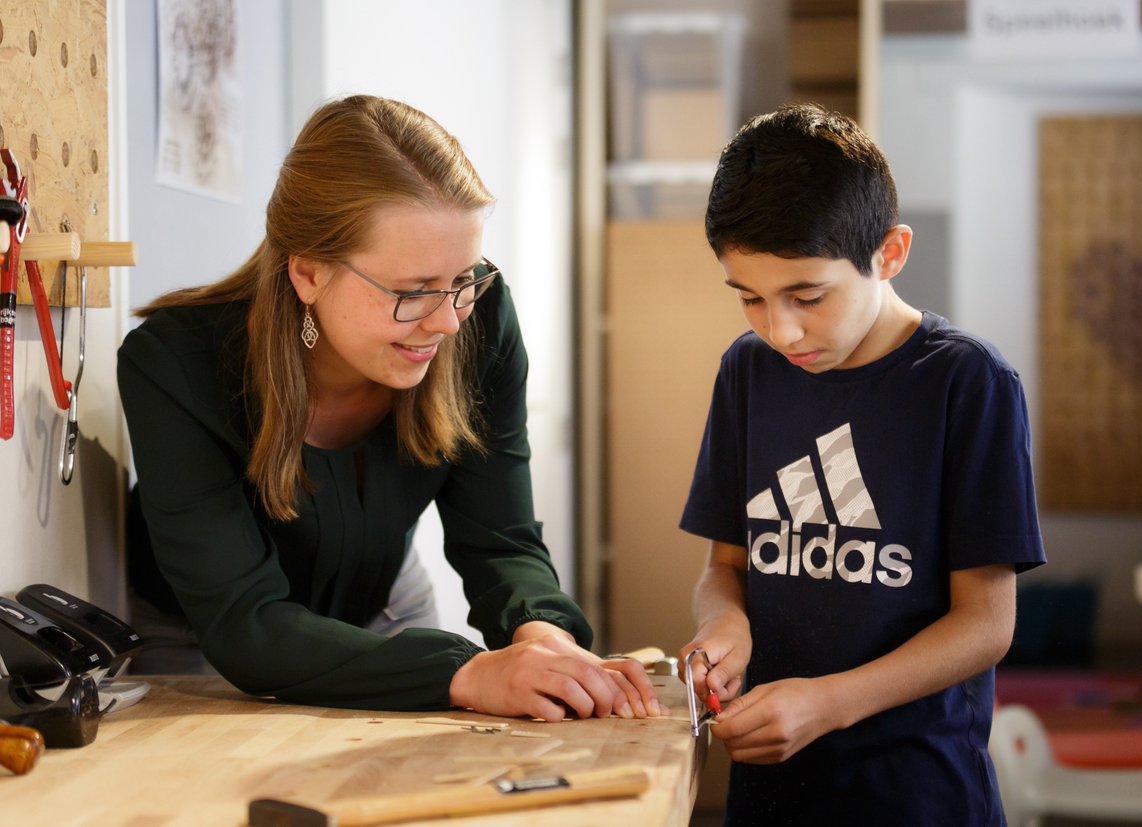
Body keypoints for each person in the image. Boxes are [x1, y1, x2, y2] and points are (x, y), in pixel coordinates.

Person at [118, 94, 662, 722]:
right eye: (411, 292)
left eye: (465, 277)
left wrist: (541, 636)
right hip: (203, 637)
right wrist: (465, 670)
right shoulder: (175, 366)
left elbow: (500, 540)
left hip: (383, 609)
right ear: (308, 274)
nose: (449, 322)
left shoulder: (479, 320)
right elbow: (245, 622)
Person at [677, 103, 1046, 824]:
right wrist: (726, 627)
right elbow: (726, 567)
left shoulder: (967, 383)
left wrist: (830, 701)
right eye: (750, 297)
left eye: (807, 296)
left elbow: (987, 624)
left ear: (890, 253)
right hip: (772, 784)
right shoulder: (749, 372)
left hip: (917, 790)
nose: (779, 329)